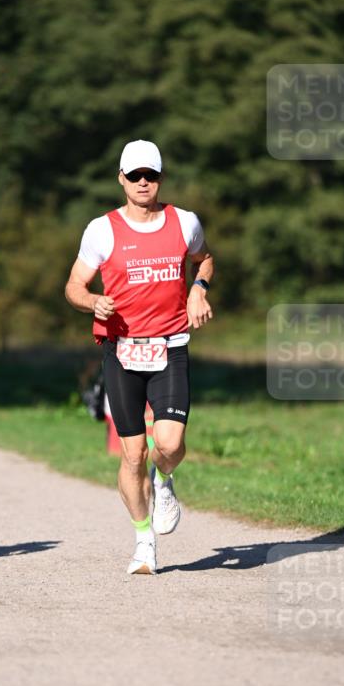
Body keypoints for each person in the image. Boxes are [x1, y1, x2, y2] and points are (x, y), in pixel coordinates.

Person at [65, 140, 214, 575]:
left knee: (169, 445)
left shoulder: (184, 222)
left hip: (171, 345)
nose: (142, 182)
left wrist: (198, 289)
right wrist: (92, 302)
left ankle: (164, 480)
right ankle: (144, 541)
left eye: (150, 175)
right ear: (122, 179)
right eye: (134, 175)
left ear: (160, 178)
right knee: (132, 456)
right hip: (122, 350)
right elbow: (73, 287)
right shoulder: (102, 230)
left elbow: (205, 259)